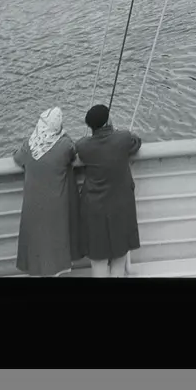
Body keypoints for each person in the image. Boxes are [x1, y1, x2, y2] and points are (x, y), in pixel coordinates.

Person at [12, 107, 84, 277]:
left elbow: (17, 157)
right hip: (57, 203)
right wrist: (63, 134)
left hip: (34, 204)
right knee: (56, 240)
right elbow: (72, 154)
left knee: (38, 242)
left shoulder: (29, 145)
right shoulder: (64, 145)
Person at [74, 104, 142, 278]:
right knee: (119, 253)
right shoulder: (123, 138)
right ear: (108, 121)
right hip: (121, 205)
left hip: (94, 207)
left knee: (98, 257)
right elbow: (136, 142)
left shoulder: (83, 146)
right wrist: (116, 132)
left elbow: (76, 151)